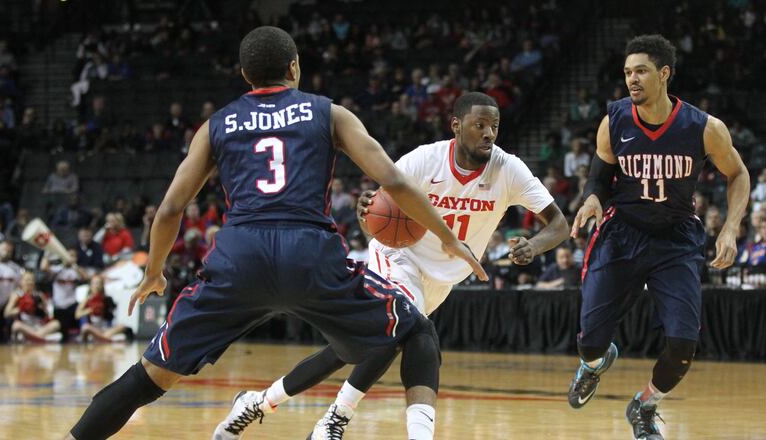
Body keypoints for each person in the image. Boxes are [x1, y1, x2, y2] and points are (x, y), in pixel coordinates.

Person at [65, 26, 485, 440]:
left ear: (246, 75)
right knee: (415, 329)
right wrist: (446, 236)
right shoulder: (329, 113)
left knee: (148, 377)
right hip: (310, 255)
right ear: (294, 66)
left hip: (239, 259)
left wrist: (154, 271)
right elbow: (393, 181)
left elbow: (171, 208)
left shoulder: (217, 124)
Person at [217, 92, 569, 440]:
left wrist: (534, 246)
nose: (489, 133)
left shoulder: (509, 169)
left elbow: (558, 224)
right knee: (413, 333)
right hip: (398, 255)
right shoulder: (424, 160)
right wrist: (365, 211)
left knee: (365, 344)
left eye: (494, 126)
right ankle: (336, 419)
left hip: (441, 278)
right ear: (456, 126)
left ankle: (259, 402)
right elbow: (378, 204)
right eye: (480, 125)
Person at [568, 35, 749, 440]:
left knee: (684, 345)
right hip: (621, 233)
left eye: (641, 71)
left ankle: (644, 406)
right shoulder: (614, 120)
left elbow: (738, 174)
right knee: (591, 344)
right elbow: (599, 177)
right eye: (628, 72)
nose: (632, 79)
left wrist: (731, 227)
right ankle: (594, 365)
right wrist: (593, 199)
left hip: (676, 238)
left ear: (664, 73)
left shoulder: (704, 127)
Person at [4, 272, 62, 343]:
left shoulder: (39, 295)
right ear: (21, 282)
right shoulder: (17, 295)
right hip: (25, 326)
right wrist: (21, 309)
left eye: (31, 280)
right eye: (27, 280)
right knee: (16, 326)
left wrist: (38, 308)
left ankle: (34, 337)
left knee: (56, 324)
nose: (29, 282)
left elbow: (47, 313)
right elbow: (6, 313)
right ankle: (41, 338)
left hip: (39, 326)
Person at [76, 275, 128, 342]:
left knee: (122, 326)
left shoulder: (107, 299)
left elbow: (111, 316)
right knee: (85, 328)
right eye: (94, 283)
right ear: (90, 286)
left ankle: (101, 338)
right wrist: (89, 311)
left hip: (104, 328)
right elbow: (77, 315)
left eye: (99, 283)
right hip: (92, 328)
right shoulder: (86, 300)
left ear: (102, 285)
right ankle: (108, 339)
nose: (97, 286)